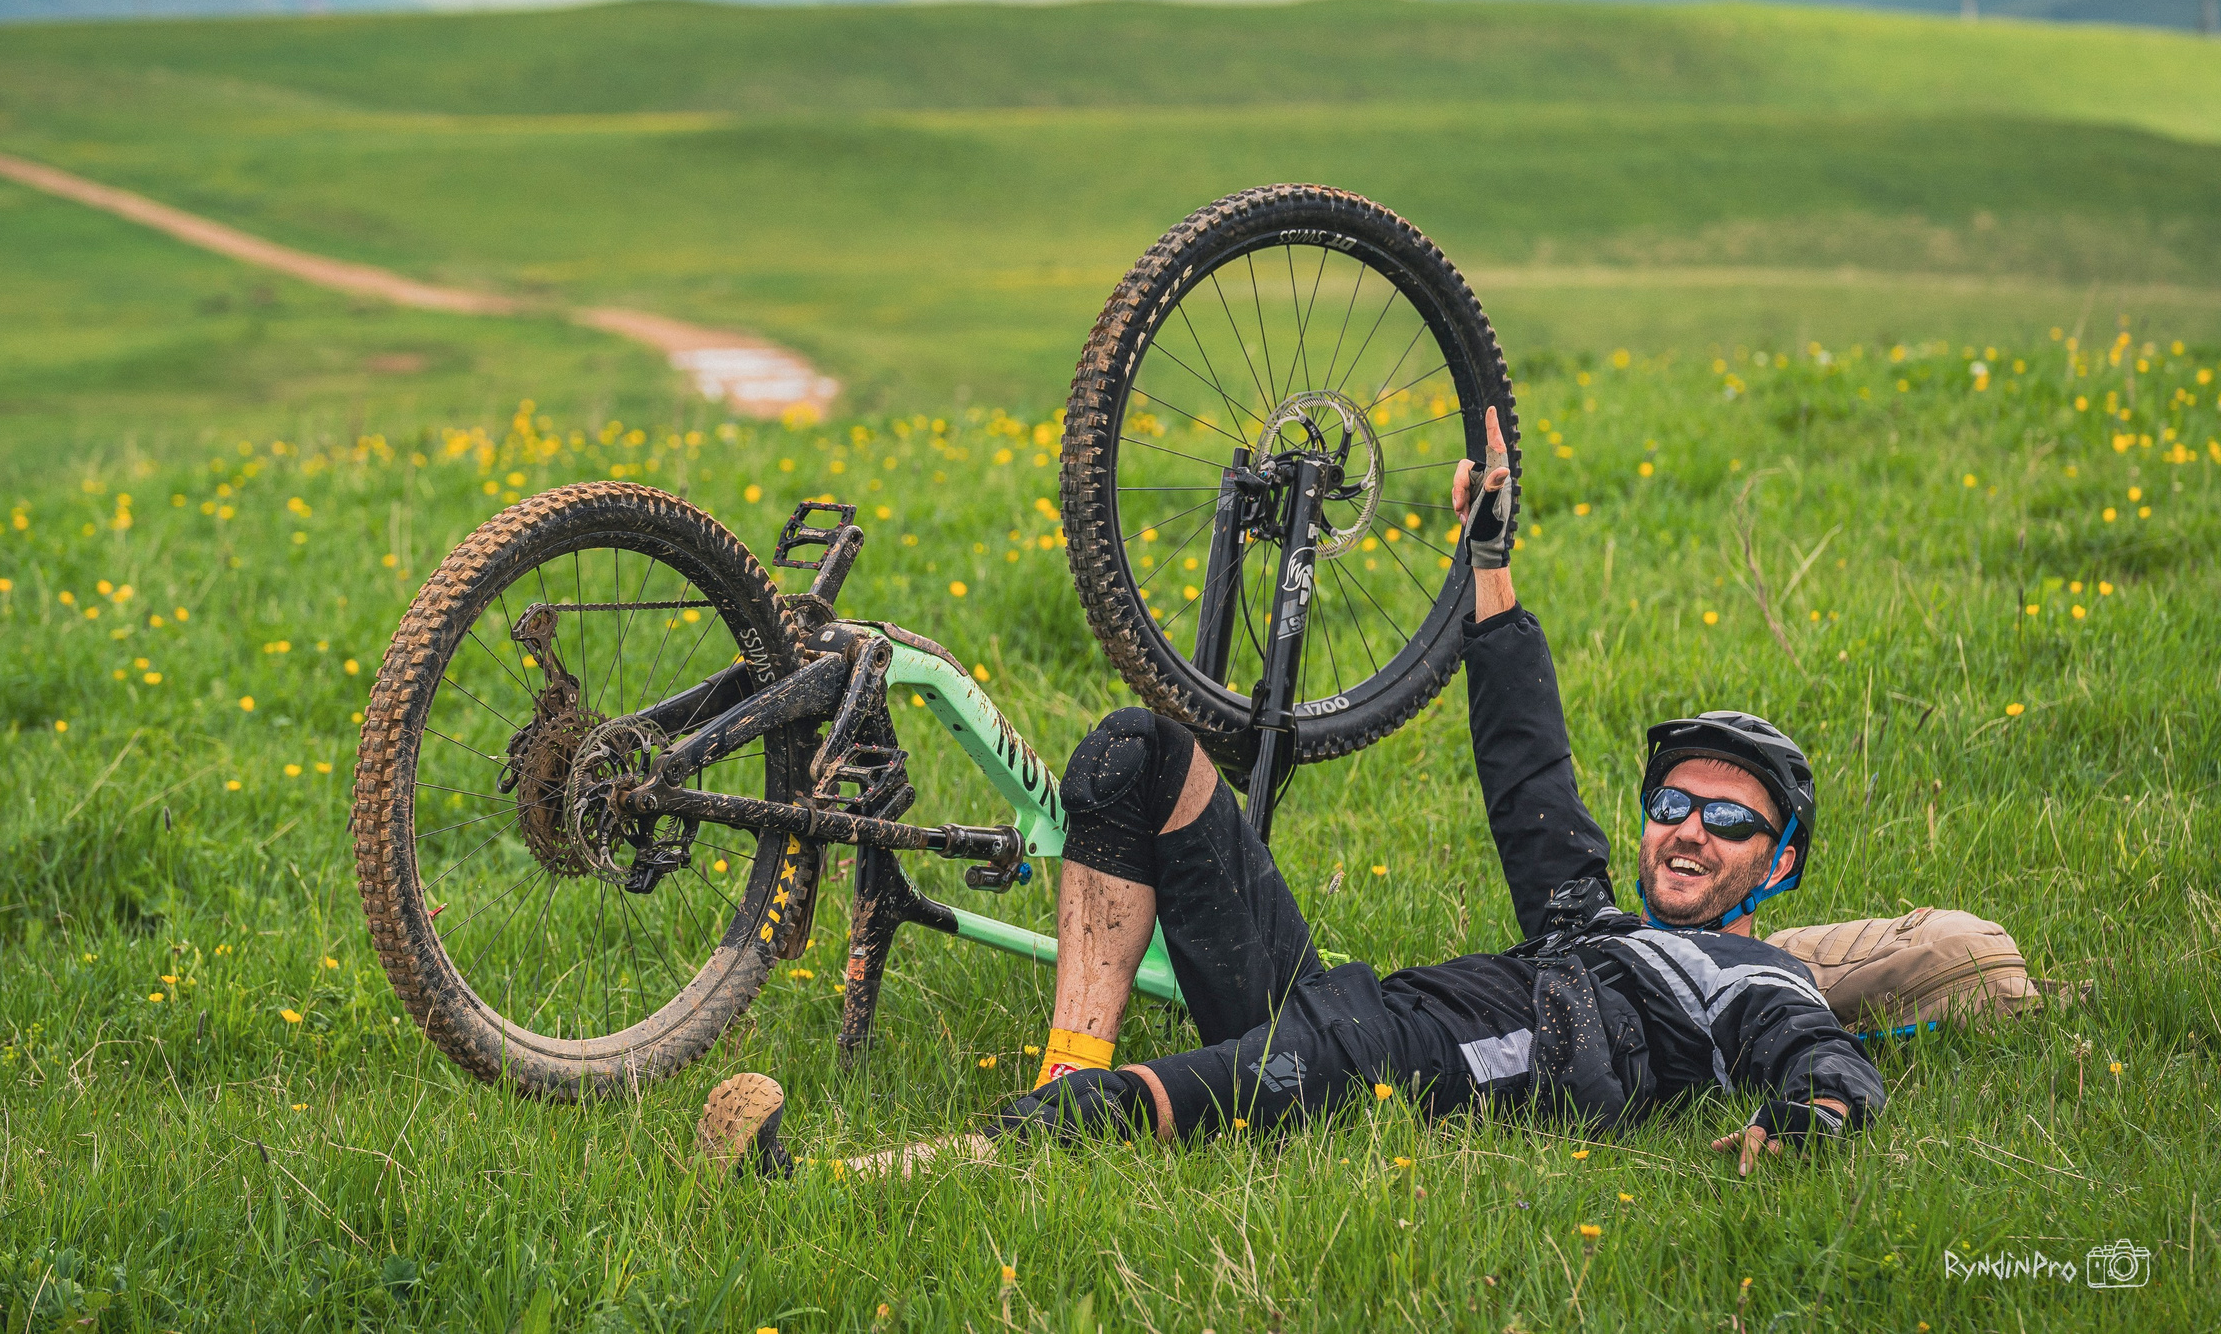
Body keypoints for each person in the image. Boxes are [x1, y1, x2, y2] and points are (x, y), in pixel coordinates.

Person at [698, 408, 1883, 1179]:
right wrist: (1486, 555)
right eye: (1675, 804)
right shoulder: (1590, 919)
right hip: (1343, 1014)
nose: (1690, 830)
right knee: (1133, 753)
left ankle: (820, 1178)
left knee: (1152, 1112)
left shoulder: (1757, 976)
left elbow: (1822, 1058)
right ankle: (1070, 1064)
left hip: (1401, 1075)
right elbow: (1529, 768)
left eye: (1731, 822)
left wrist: (1806, 1124)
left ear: (1775, 868)